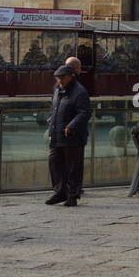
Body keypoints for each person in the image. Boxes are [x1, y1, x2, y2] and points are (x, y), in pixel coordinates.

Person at [45, 63, 90, 207]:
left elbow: (84, 113)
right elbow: (55, 107)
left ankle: (72, 195)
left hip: (72, 136)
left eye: (62, 78)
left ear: (71, 76)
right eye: (58, 79)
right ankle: (60, 191)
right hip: (57, 134)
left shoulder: (80, 92)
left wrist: (71, 126)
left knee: (72, 166)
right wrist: (52, 118)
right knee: (55, 162)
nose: (60, 81)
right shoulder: (58, 89)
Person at [64, 55, 89, 195]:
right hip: (74, 131)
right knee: (76, 163)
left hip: (71, 130)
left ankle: (72, 188)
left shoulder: (68, 87)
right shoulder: (77, 87)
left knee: (72, 163)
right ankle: (74, 188)